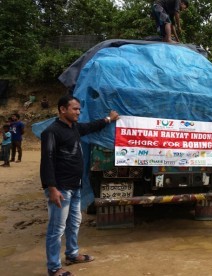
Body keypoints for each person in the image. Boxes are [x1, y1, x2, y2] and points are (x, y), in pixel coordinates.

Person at [41, 95, 119, 276]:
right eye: (75, 109)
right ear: (62, 109)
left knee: (74, 222)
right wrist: (51, 188)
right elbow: (47, 161)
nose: (78, 112)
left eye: (79, 109)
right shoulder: (51, 132)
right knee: (56, 228)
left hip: (75, 186)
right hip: (60, 188)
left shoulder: (74, 128)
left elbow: (90, 126)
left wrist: (109, 119)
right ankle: (53, 268)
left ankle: (72, 254)